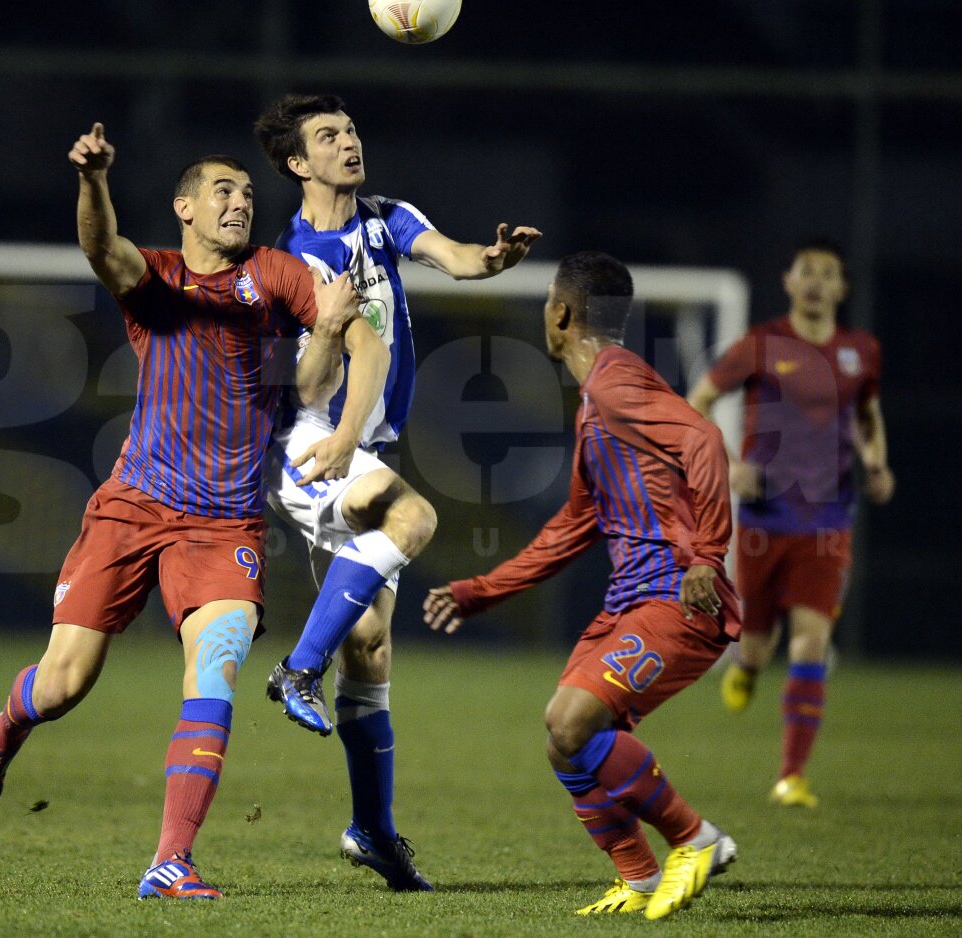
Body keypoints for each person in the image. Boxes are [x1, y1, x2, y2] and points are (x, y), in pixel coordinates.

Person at [0, 122, 387, 901]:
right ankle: (1, 737)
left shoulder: (275, 273)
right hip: (132, 508)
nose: (240, 202)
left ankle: (170, 861)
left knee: (215, 670)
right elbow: (101, 246)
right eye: (223, 191)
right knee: (62, 685)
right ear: (185, 207)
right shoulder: (154, 279)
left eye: (248, 193)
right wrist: (92, 179)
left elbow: (359, 348)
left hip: (223, 526)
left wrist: (342, 394)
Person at [252, 93, 541, 891]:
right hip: (309, 441)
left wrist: (497, 258)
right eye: (327, 137)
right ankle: (296, 670)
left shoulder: (385, 217)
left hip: (359, 443)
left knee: (372, 649)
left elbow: (457, 258)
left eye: (350, 130)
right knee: (413, 518)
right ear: (297, 163)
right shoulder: (290, 260)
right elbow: (303, 382)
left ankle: (373, 832)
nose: (348, 142)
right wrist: (344, 432)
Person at [424, 252, 740, 920]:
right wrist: (481, 591)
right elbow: (571, 527)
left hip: (676, 595)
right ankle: (639, 876)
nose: (545, 310)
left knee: (572, 721)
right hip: (630, 602)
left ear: (562, 314)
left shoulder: (616, 384)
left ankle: (695, 838)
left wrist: (709, 557)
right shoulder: (597, 402)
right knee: (563, 741)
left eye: (548, 299)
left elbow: (706, 439)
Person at [688, 239, 894, 809]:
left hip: (828, 518)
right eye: (807, 271)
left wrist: (877, 464)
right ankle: (747, 667)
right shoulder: (761, 344)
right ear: (788, 281)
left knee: (811, 639)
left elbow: (868, 416)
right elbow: (698, 401)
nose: (816, 282)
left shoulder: (860, 351)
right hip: (765, 517)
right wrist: (731, 465)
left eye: (828, 273)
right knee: (756, 642)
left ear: (842, 288)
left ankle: (791, 776)